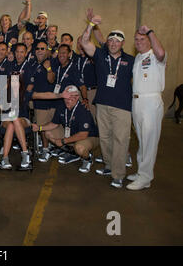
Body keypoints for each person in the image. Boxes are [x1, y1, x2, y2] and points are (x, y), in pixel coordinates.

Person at [81, 12, 135, 188]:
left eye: (117, 41)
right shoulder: (100, 56)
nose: (113, 44)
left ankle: (118, 174)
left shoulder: (131, 60)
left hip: (122, 107)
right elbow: (84, 42)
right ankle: (110, 166)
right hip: (102, 104)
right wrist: (90, 24)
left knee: (121, 140)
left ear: (122, 43)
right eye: (111, 41)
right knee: (105, 138)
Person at [127, 26, 166, 190]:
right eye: (136, 39)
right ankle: (142, 172)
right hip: (137, 101)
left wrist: (150, 31)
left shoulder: (156, 56)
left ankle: (145, 177)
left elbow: (161, 53)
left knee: (149, 140)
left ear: (150, 41)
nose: (138, 42)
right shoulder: (137, 58)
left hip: (151, 101)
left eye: (142, 39)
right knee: (142, 140)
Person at [39, 85, 99, 171]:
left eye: (72, 97)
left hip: (89, 137)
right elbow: (53, 124)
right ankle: (72, 152)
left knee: (80, 148)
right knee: (47, 132)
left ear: (78, 97)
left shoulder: (83, 109)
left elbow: (83, 134)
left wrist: (63, 141)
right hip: (72, 134)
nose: (68, 100)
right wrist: (39, 128)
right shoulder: (61, 106)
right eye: (66, 97)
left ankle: (87, 159)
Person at [26, 40, 56, 160]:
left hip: (52, 101)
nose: (40, 51)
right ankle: (45, 149)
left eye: (42, 49)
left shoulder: (52, 62)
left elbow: (51, 80)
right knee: (42, 127)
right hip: (39, 102)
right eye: (38, 49)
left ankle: (53, 148)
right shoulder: (32, 64)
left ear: (47, 50)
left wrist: (48, 69)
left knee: (53, 127)